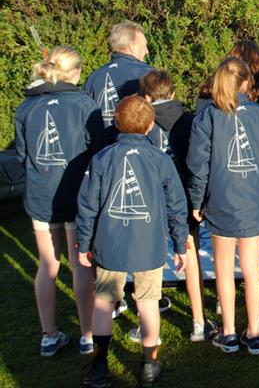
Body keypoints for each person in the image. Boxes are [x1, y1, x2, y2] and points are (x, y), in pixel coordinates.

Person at [77, 95, 188, 387]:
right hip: (148, 245)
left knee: (104, 301)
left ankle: (99, 366)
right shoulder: (161, 160)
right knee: (148, 302)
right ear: (151, 125)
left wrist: (84, 245)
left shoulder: (101, 158)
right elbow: (177, 205)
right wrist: (180, 245)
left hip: (108, 244)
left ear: (116, 123)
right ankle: (150, 364)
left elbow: (87, 206)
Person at [14, 46, 104, 357]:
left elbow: (23, 155)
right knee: (81, 266)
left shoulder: (26, 108)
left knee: (48, 265)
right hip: (76, 196)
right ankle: (88, 335)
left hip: (41, 196)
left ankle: (49, 335)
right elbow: (99, 148)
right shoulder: (84, 104)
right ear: (75, 72)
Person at [186, 58, 259, 355]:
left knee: (224, 269)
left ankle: (228, 332)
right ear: (244, 83)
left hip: (221, 200)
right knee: (252, 268)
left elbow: (197, 166)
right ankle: (253, 333)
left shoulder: (206, 117)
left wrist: (197, 201)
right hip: (253, 199)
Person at [139, 70, 217, 342]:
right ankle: (198, 322)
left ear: (147, 96)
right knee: (191, 257)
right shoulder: (189, 121)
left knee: (147, 264)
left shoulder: (141, 120)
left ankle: (147, 325)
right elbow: (197, 163)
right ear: (171, 93)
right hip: (183, 199)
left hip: (149, 201)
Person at [83, 21, 153, 130]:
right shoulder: (148, 75)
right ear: (132, 46)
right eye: (144, 46)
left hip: (101, 144)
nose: (147, 51)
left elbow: (85, 119)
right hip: (137, 143)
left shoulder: (94, 77)